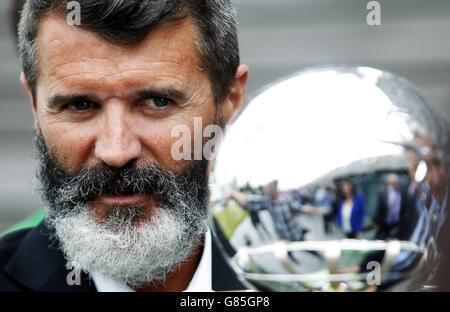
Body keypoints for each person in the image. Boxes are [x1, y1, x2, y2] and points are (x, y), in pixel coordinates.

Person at [0, 0, 249, 292]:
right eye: (80, 105)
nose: (116, 152)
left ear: (229, 99)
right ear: (34, 104)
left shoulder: (299, 277)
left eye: (158, 101)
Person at [374, 174, 408, 240]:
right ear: (389, 183)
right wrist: (377, 223)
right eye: (393, 182)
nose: (395, 184)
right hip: (385, 223)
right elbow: (379, 208)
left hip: (398, 223)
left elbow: (405, 208)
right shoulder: (383, 193)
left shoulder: (402, 192)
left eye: (396, 182)